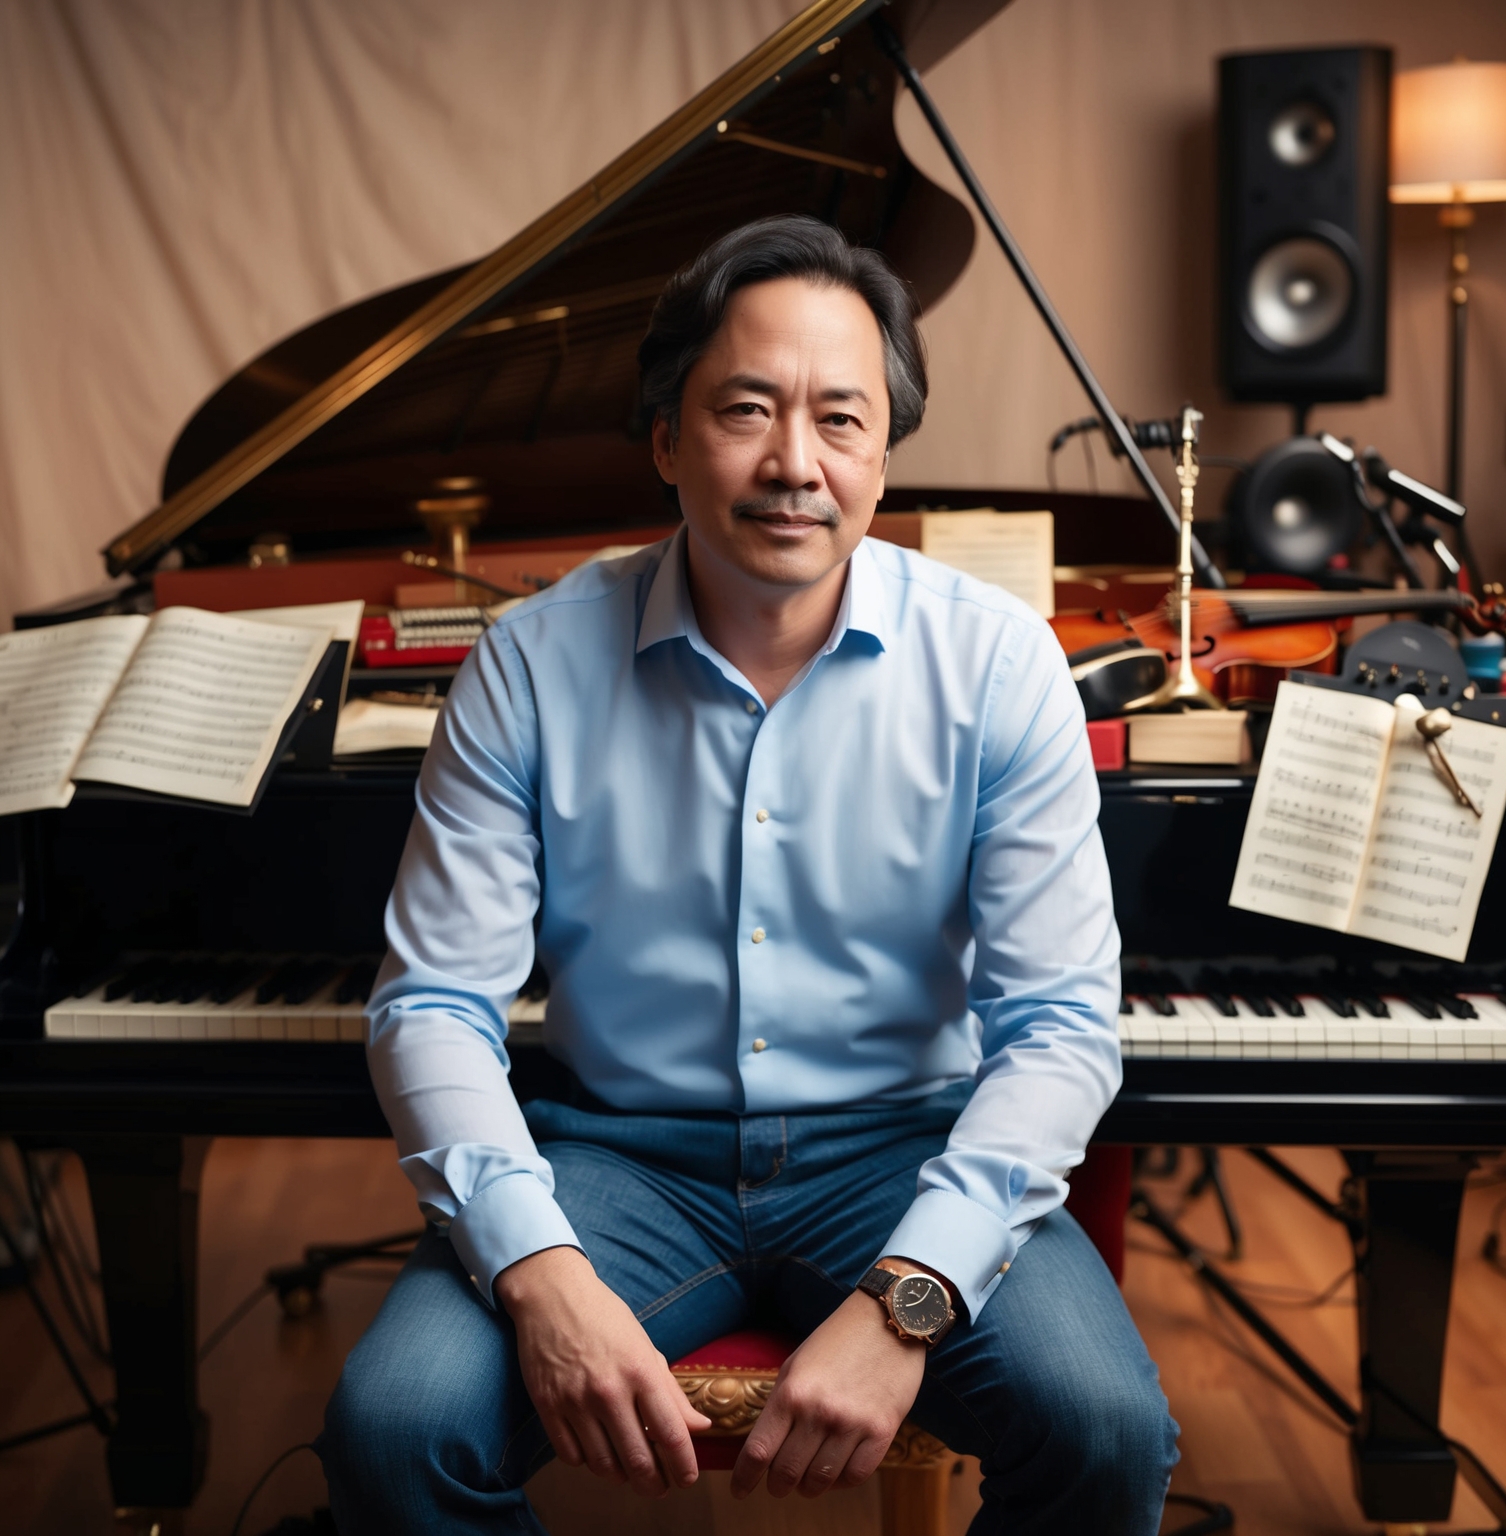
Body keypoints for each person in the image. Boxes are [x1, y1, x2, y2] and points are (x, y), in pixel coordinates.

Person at [320, 214, 1177, 1534]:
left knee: (1109, 1435)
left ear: (883, 458)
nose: (796, 464)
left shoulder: (999, 665)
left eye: (842, 419)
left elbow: (1060, 1029)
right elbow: (431, 1002)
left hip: (906, 1147)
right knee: (395, 1428)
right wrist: (543, 1273)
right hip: (623, 1159)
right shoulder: (531, 665)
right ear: (665, 437)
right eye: (746, 410)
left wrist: (907, 1302)